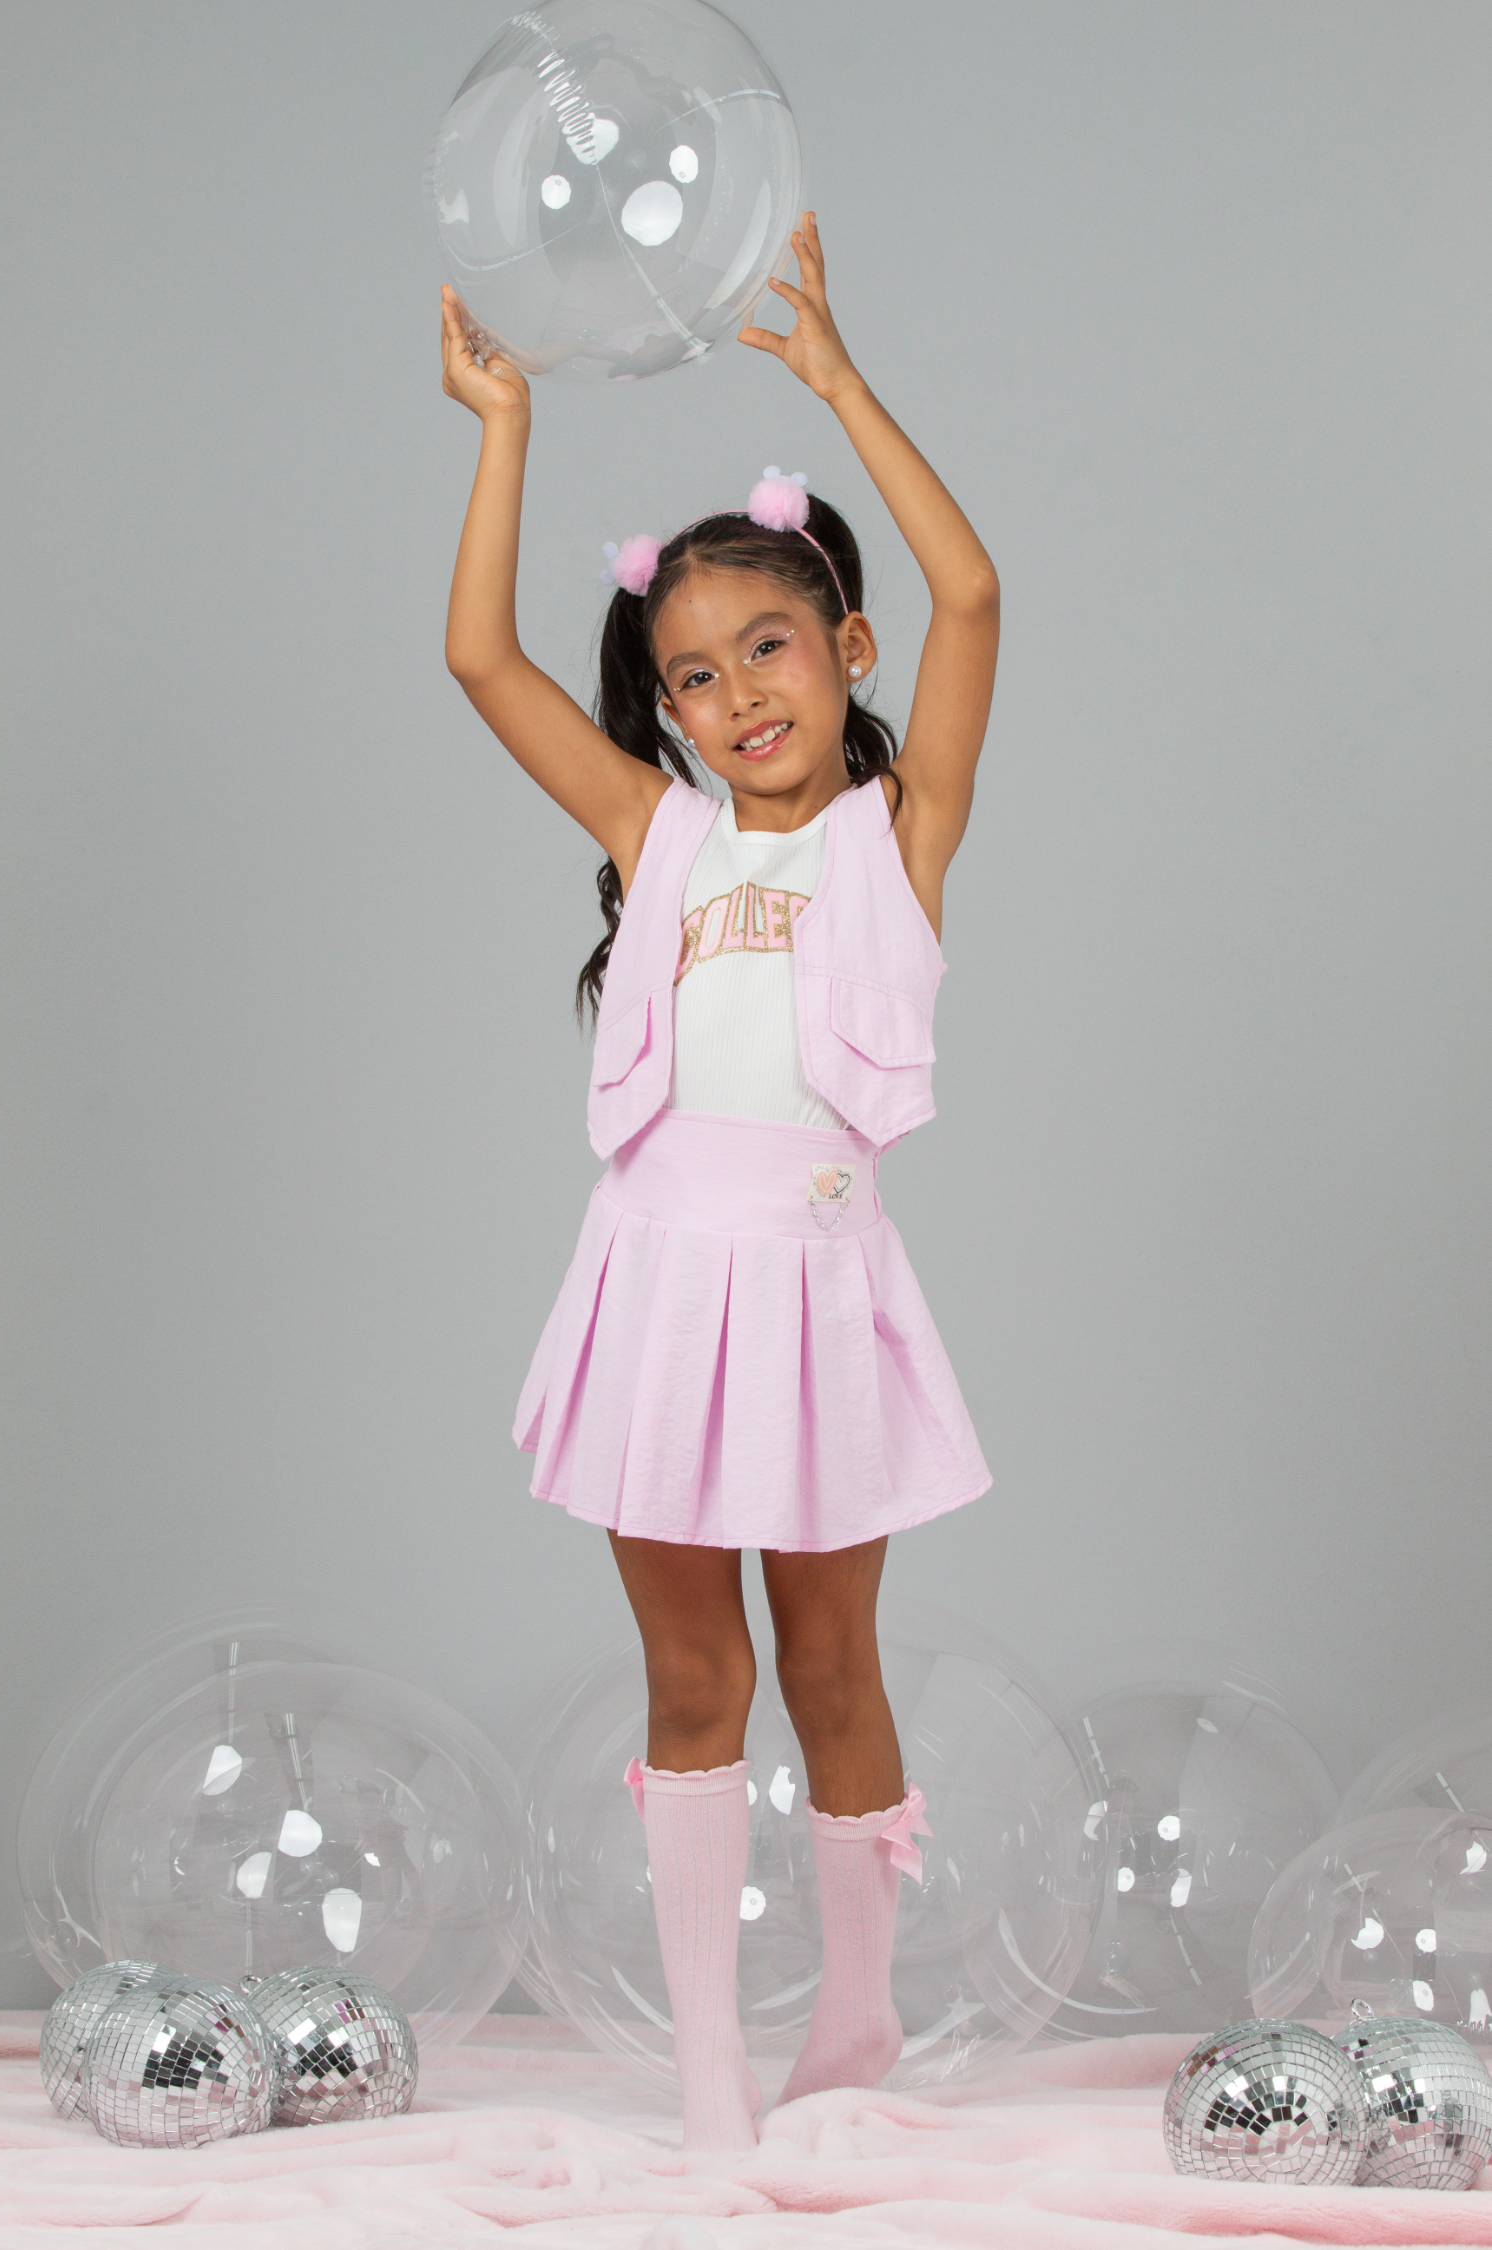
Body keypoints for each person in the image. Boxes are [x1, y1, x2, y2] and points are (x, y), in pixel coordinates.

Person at [440, 213, 1000, 2152]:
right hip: (660, 1287)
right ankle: (706, 2075)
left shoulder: (895, 836)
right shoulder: (658, 837)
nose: (740, 692)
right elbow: (478, 658)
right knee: (693, 1671)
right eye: (693, 674)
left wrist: (838, 383)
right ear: (666, 715)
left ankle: (854, 2023)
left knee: (830, 1662)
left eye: (770, 645)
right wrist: (503, 426)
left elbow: (975, 591)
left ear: (847, 650)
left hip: (817, 1285)